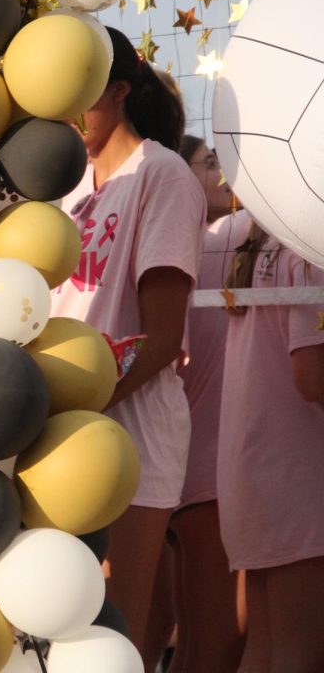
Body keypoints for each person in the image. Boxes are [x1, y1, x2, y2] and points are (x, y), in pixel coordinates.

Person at [49, 27, 206, 664]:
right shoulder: (62, 186)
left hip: (127, 441)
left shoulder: (162, 175)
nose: (63, 111)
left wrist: (86, 401)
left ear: (118, 90)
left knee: (113, 636)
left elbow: (163, 337)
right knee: (49, 625)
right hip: (54, 430)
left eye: (77, 94)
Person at [217, 224, 324, 672]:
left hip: (256, 471)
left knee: (263, 651)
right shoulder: (310, 250)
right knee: (298, 654)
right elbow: (312, 377)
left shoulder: (268, 242)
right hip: (297, 477)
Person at [164, 136, 247, 672]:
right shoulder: (215, 241)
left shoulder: (180, 249)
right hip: (213, 467)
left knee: (197, 637)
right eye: (211, 163)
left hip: (192, 466)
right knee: (219, 640)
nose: (225, 174)